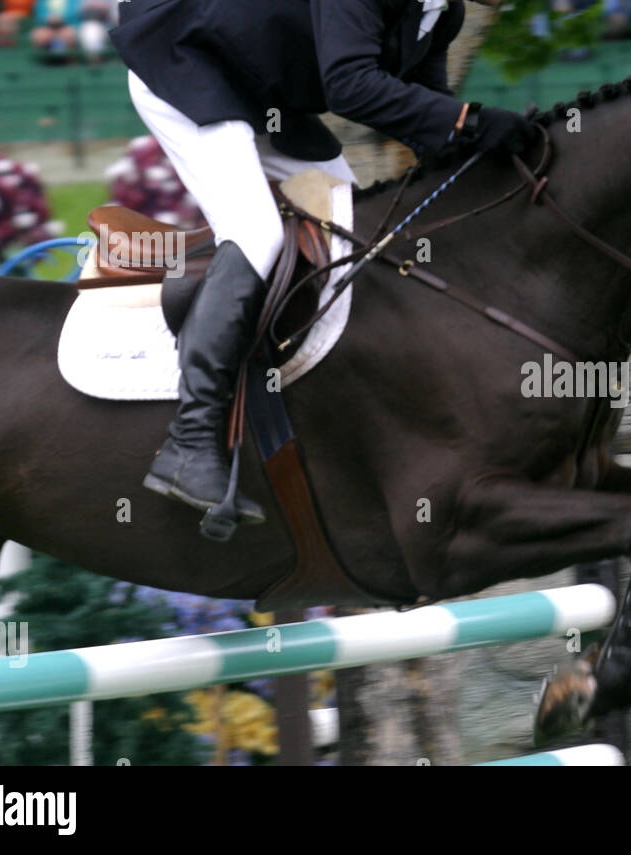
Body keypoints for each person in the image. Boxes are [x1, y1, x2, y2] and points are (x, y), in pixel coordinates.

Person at [110, 0, 538, 527]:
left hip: (264, 89)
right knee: (257, 233)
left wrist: (476, 143)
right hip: (184, 64)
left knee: (353, 230)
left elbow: (425, 108)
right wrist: (468, 120)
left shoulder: (441, 11)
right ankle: (190, 443)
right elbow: (352, 86)